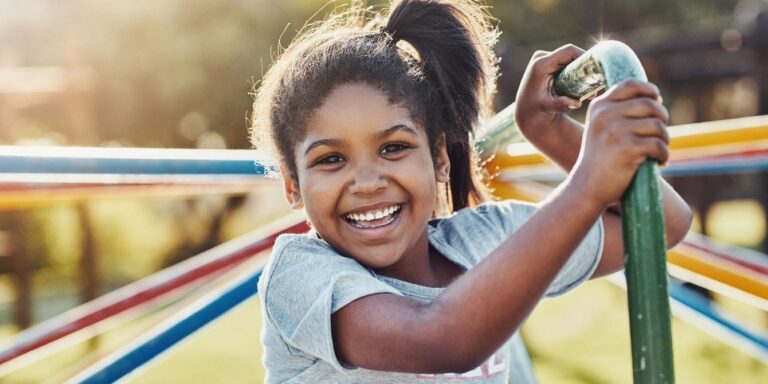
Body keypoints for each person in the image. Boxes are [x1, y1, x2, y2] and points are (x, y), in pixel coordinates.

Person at [250, 0, 693, 382]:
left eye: (393, 147)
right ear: (293, 184)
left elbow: (662, 225)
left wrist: (549, 131)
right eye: (331, 159)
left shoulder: (481, 241)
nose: (367, 182)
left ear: (440, 158)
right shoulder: (299, 278)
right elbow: (441, 339)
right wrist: (586, 186)